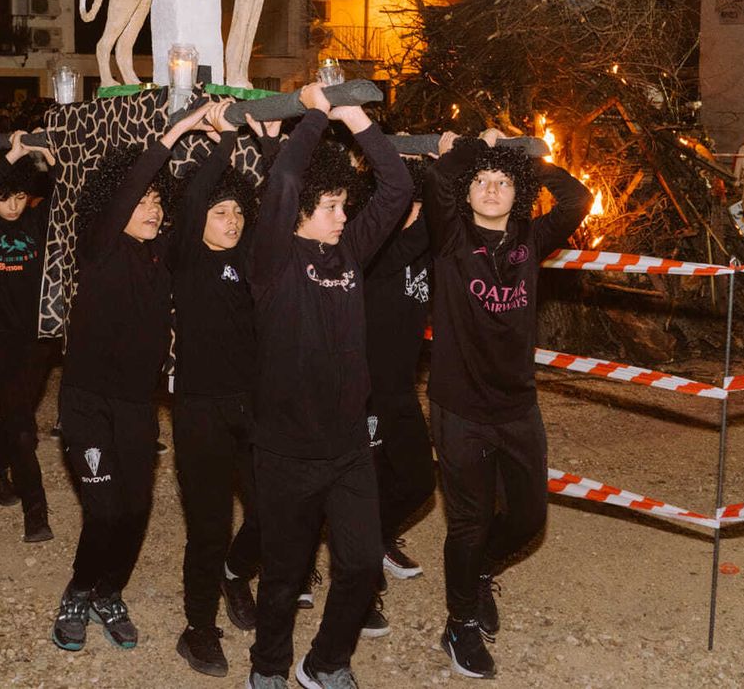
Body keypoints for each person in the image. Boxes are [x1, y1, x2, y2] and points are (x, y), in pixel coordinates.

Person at [241, 84, 411, 689]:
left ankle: (326, 663)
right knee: (285, 577)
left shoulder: (350, 254)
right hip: (286, 452)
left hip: (346, 451)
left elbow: (398, 189)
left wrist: (358, 120)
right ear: (303, 210)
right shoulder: (273, 259)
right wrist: (313, 114)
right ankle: (267, 670)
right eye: (332, 206)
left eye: (344, 205)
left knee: (362, 565)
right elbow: (284, 182)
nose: (343, 217)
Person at [49, 100, 216, 655]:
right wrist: (172, 136)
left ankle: (109, 592)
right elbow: (131, 184)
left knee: (136, 509)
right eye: (141, 200)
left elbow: (196, 208)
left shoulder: (160, 256)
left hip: (137, 407)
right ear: (115, 206)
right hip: (87, 403)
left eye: (155, 201)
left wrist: (221, 144)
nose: (150, 208)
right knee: (104, 509)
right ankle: (78, 590)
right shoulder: (98, 247)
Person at [424, 128, 590, 680]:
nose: (491, 189)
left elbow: (577, 200)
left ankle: (477, 574)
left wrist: (520, 157)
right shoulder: (448, 236)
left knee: (528, 517)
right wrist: (477, 149)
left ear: (516, 191)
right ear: (468, 193)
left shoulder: (529, 239)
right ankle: (459, 623)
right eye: (482, 182)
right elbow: (438, 178)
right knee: (468, 523)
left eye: (502, 183)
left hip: (518, 407)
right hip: (461, 409)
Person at [166, 102, 279, 678]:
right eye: (220, 212)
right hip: (200, 411)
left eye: (236, 210)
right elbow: (193, 198)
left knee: (271, 513)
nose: (230, 220)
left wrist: (270, 144)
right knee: (209, 527)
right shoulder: (185, 258)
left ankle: (237, 574)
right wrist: (222, 136)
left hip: (251, 408)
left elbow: (281, 202)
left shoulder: (254, 259)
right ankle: (198, 630)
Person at [0, 136, 57, 543]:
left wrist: (54, 165)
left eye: (19, 196)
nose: (13, 205)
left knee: (16, 414)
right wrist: (15, 155)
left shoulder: (37, 225)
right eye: (5, 198)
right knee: (23, 428)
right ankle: (35, 512)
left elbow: (65, 198)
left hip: (37, 338)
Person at [363, 157, 437, 592]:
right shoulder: (373, 249)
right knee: (359, 482)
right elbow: (424, 232)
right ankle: (354, 570)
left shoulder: (422, 247)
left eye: (416, 204)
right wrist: (442, 172)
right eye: (405, 203)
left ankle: (374, 538)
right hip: (363, 392)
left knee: (419, 480)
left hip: (401, 390)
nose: (412, 212)